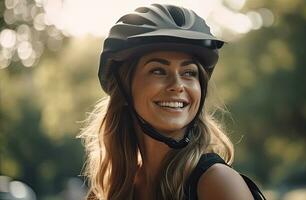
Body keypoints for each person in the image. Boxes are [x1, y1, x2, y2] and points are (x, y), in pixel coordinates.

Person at [80, 3, 266, 200]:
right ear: (124, 89)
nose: (178, 85)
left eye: (189, 73)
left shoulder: (217, 182)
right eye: (158, 71)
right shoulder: (108, 190)